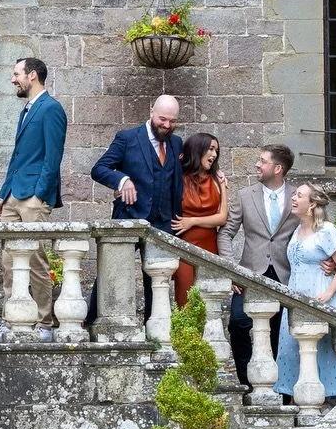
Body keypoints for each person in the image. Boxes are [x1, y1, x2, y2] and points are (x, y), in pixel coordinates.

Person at [0, 57, 68, 342]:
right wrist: (2, 194)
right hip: (13, 196)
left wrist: (40, 194)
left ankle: (45, 323)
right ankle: (11, 319)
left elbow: (52, 157)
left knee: (36, 260)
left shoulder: (51, 109)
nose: (13, 79)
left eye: (16, 73)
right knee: (9, 262)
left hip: (34, 196)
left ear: (32, 76)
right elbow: (17, 158)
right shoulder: (27, 110)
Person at [88, 94, 185, 324]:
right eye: (163, 119)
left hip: (163, 222)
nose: (167, 125)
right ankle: (92, 320)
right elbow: (99, 168)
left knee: (157, 278)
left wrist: (216, 172)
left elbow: (192, 166)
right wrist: (122, 181)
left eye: (173, 121)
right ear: (151, 111)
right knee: (110, 271)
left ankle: (154, 326)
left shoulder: (177, 143)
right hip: (128, 218)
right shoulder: (127, 138)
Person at [218, 143, 300, 386]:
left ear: (278, 168)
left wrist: (327, 259)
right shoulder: (245, 196)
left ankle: (276, 386)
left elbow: (312, 228)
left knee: (279, 333)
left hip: (286, 275)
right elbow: (225, 233)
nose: (257, 164)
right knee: (238, 324)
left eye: (263, 161)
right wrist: (232, 269)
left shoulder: (297, 196)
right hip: (249, 274)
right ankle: (246, 382)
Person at [274, 184, 336, 401]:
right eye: (294, 194)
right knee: (291, 352)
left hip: (320, 298)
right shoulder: (297, 230)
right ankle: (297, 402)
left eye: (299, 195)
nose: (293, 198)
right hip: (296, 298)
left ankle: (328, 405)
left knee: (323, 356)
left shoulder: (327, 230)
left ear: (312, 204)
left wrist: (328, 294)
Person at [171, 132, 229, 308]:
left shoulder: (217, 181)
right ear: (198, 149)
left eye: (216, 151)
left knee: (208, 303)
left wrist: (192, 221)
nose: (214, 155)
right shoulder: (179, 179)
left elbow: (222, 217)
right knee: (185, 301)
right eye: (210, 149)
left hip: (210, 249)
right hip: (184, 250)